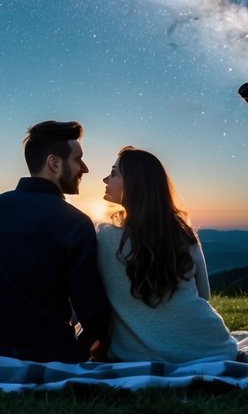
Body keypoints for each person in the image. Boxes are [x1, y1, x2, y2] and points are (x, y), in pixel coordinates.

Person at [0, 120, 111, 362]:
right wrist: (82, 349)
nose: (84, 168)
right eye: (78, 159)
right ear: (53, 163)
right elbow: (93, 314)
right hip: (47, 351)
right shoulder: (75, 223)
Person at [95, 147, 237, 363]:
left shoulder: (102, 237)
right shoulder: (183, 234)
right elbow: (204, 294)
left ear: (134, 183)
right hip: (210, 347)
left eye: (114, 174)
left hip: (135, 354)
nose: (106, 179)